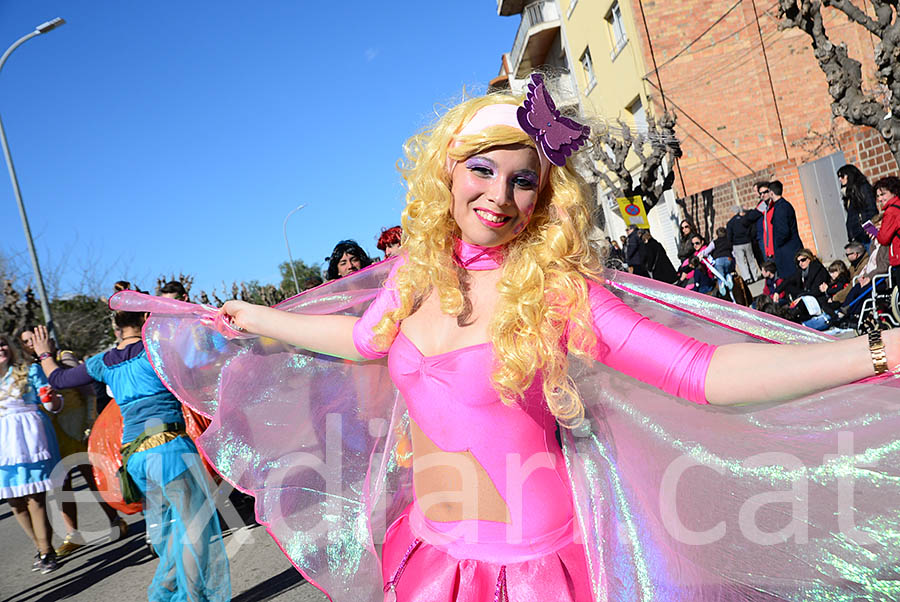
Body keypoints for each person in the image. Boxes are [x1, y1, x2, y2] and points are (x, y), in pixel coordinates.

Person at [124, 76, 900, 600]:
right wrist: (252, 319)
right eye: (483, 170)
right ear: (447, 174)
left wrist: (875, 351)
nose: (500, 195)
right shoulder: (413, 275)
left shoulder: (557, 293)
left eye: (523, 178)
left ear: (545, 194)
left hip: (531, 570)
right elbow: (361, 341)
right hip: (434, 549)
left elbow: (704, 372)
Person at [31, 317, 230, 601]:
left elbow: (59, 378)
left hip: (136, 459)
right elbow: (207, 360)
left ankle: (168, 588)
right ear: (145, 321)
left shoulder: (103, 362)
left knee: (172, 525)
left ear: (115, 330)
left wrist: (45, 353)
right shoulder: (158, 352)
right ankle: (192, 596)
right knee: (194, 525)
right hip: (169, 449)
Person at [17, 327, 125, 557]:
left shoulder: (64, 357)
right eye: (26, 341)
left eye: (33, 339)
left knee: (93, 478)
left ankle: (116, 519)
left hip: (77, 427)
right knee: (61, 484)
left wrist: (89, 421)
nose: (31, 344)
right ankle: (73, 534)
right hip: (51, 431)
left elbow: (89, 392)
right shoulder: (27, 371)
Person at [0, 333, 63, 574]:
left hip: (29, 439)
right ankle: (40, 546)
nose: (1, 348)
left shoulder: (30, 370)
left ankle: (47, 551)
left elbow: (52, 405)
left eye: (3, 343)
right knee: (14, 501)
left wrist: (51, 401)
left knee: (35, 497)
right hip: (3, 445)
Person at [755, 180, 803, 279]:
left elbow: (783, 231)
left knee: (791, 281)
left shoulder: (781, 208)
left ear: (771, 193)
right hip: (788, 249)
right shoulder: (783, 205)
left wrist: (776, 243)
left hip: (788, 252)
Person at [837, 164, 878, 247]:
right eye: (839, 177)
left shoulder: (862, 188)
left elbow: (871, 210)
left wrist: (870, 231)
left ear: (850, 175)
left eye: (842, 176)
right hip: (857, 236)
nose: (840, 179)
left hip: (866, 233)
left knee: (875, 255)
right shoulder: (848, 194)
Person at [873, 176, 900, 286]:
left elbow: (883, 239)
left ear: (894, 192)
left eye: (883, 194)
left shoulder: (891, 211)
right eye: (878, 196)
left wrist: (877, 233)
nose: (880, 199)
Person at [726, 206, 760, 282]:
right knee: (751, 259)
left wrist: (730, 245)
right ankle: (755, 276)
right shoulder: (745, 220)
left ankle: (747, 278)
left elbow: (729, 235)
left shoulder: (730, 223)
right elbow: (751, 229)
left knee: (741, 262)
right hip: (747, 242)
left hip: (737, 244)